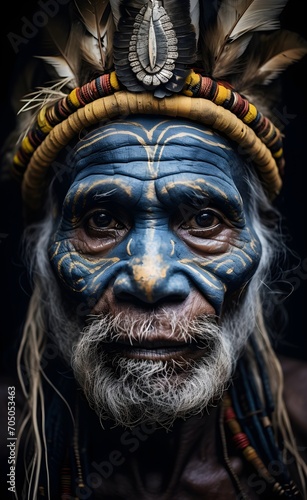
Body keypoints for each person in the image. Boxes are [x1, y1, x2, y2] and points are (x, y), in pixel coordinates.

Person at [0, 0, 307, 498]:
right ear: (43, 249)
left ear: (261, 243)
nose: (149, 278)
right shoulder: (13, 454)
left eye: (204, 220)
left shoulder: (301, 425)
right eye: (101, 221)